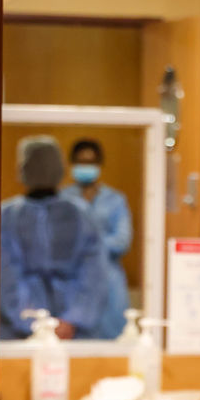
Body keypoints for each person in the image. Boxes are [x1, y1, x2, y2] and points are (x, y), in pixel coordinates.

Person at [0, 136, 109, 340]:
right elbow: (5, 276)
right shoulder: (6, 217)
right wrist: (33, 321)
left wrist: (74, 319)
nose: (42, 170)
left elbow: (94, 273)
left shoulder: (81, 214)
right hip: (19, 330)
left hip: (75, 330)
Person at [62, 138, 133, 339]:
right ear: (72, 164)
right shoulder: (63, 199)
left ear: (99, 164)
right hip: (72, 280)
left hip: (109, 281)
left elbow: (122, 241)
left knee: (112, 339)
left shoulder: (115, 200)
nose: (86, 166)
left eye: (90, 162)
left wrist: (86, 244)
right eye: (81, 162)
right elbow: (58, 242)